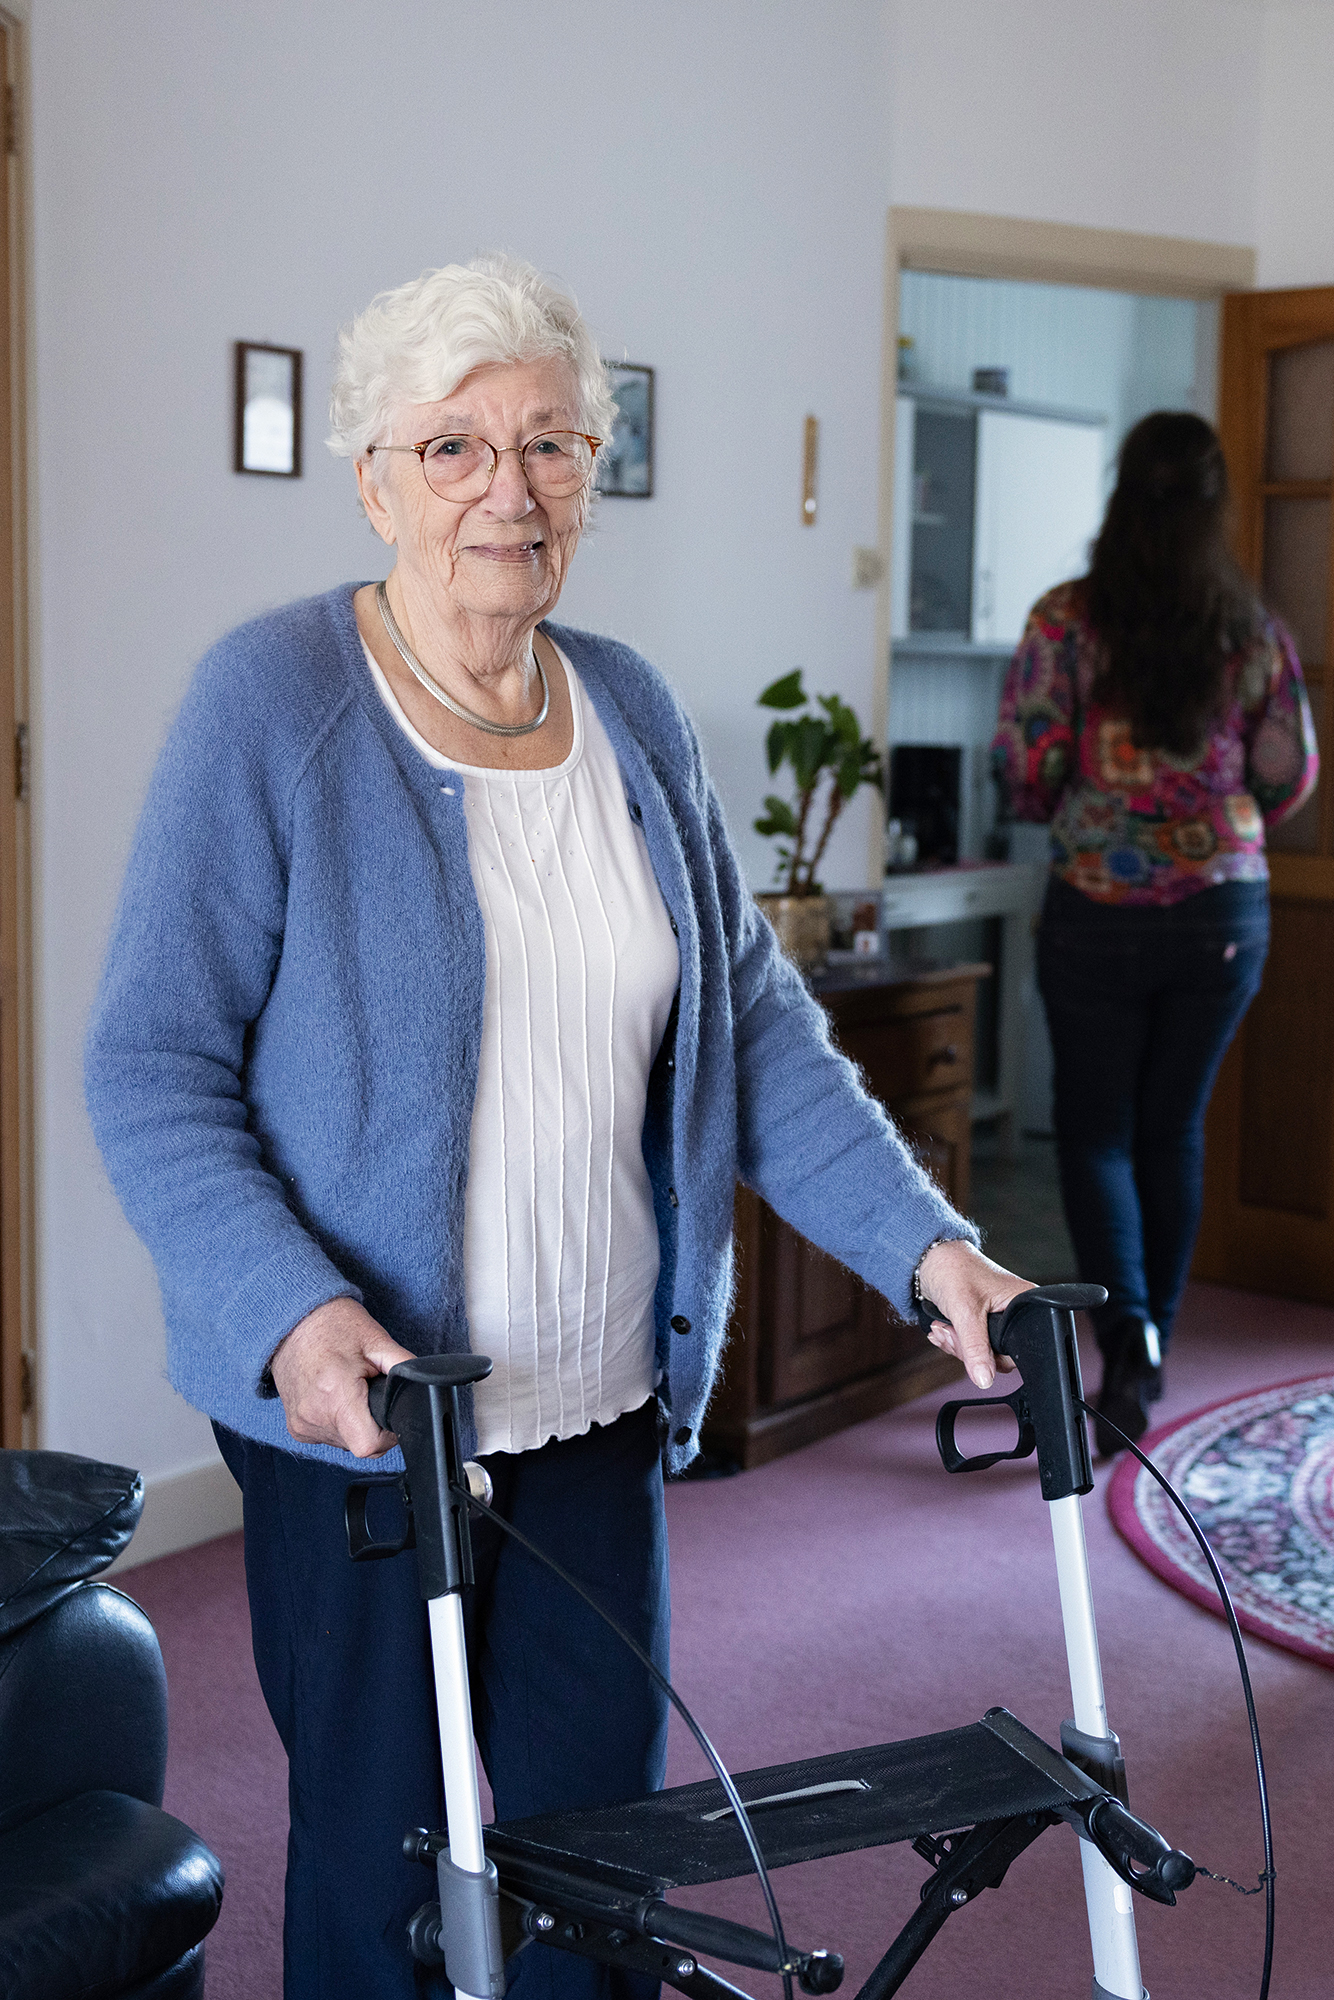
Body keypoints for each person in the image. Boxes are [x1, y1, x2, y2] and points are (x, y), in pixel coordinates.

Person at [86, 254, 1031, 2000]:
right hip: (371, 1442)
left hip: (595, 1408)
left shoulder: (634, 716)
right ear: (374, 478)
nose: (503, 490)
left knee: (603, 1878)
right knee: (387, 1885)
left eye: (547, 444)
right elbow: (151, 1069)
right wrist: (292, 1320)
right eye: (450, 448)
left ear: (589, 474)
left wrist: (928, 1244)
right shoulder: (272, 706)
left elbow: (751, 1029)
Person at [992, 410, 1318, 1457]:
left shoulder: (1062, 621)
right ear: (1215, 503)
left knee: (1091, 1131)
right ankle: (1150, 1341)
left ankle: (1122, 1336)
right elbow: (1287, 773)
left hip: (1093, 908)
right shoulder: (1250, 629)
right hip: (1220, 913)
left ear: (1119, 491)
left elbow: (1024, 771)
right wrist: (1207, 823)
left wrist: (1094, 802)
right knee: (1169, 1128)